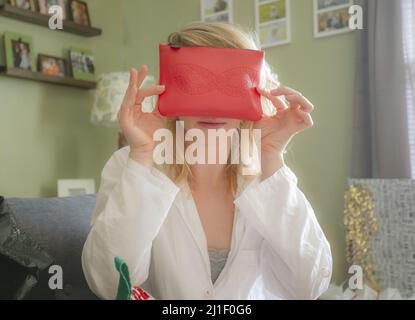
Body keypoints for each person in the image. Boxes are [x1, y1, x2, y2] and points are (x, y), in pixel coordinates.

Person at [81, 21, 332, 300]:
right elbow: (108, 282)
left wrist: (272, 156)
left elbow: (311, 283)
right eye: (192, 82)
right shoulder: (132, 164)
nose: (212, 106)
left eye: (232, 84)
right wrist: (143, 156)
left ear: (255, 90)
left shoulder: (265, 171)